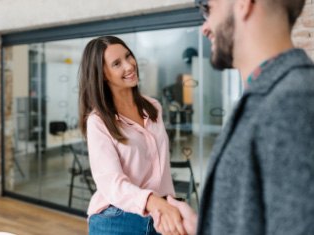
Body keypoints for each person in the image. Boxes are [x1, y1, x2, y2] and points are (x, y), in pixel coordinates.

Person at [154, 0, 314, 234]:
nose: (204, 28)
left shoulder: (293, 103)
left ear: (243, 4)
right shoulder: (267, 96)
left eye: (209, 9)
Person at [78, 35, 187, 235]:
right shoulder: (98, 121)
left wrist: (167, 202)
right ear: (102, 74)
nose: (129, 66)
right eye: (117, 63)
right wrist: (153, 202)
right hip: (117, 219)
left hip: (160, 214)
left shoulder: (153, 107)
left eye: (128, 57)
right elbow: (111, 182)